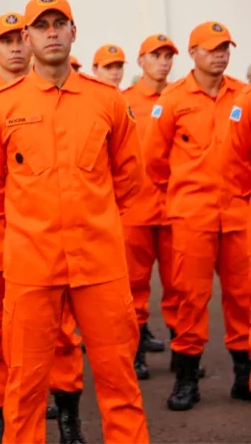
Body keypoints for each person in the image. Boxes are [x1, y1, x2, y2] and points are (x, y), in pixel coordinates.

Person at [0, 0, 149, 444]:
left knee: (120, 384)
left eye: (60, 23)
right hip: (32, 268)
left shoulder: (106, 101)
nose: (51, 32)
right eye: (41, 25)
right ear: (27, 37)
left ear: (74, 32)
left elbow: (130, 181)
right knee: (25, 388)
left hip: (100, 267)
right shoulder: (2, 106)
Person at [143, 21, 251, 411]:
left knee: (245, 297)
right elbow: (153, 160)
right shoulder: (172, 100)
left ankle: (245, 375)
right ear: (193, 53)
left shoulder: (244, 95)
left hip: (238, 213)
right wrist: (185, 192)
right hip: (192, 217)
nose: (220, 54)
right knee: (191, 297)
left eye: (225, 48)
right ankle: (187, 378)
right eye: (212, 48)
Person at [119, 34, 181, 380]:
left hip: (174, 209)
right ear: (141, 61)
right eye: (155, 55)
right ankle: (136, 352)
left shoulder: (180, 98)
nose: (163, 62)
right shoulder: (124, 101)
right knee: (133, 287)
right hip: (136, 211)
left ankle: (184, 352)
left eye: (167, 56)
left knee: (180, 286)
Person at [220, 83, 251, 403]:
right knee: (189, 292)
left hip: (234, 209)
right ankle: (186, 369)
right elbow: (235, 159)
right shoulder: (245, 102)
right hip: (205, 209)